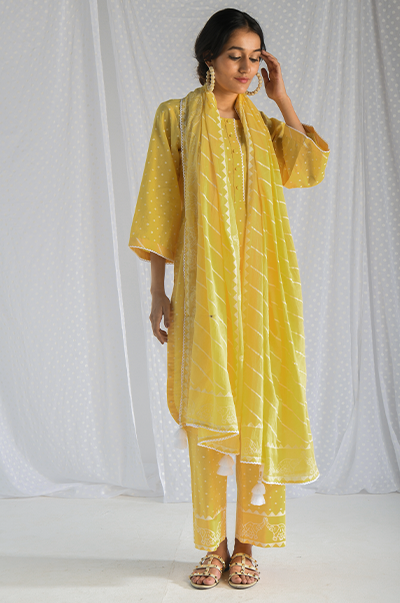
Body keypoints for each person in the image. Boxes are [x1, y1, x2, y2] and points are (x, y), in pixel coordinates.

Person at [129, 7, 330, 590]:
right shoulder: (176, 118)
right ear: (209, 59)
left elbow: (307, 167)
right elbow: (162, 209)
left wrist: (281, 96)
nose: (246, 67)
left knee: (257, 411)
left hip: (263, 293)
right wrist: (158, 292)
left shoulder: (260, 124)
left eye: (255, 56)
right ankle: (212, 547)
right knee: (211, 415)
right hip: (204, 291)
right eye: (235, 56)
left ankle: (247, 546)